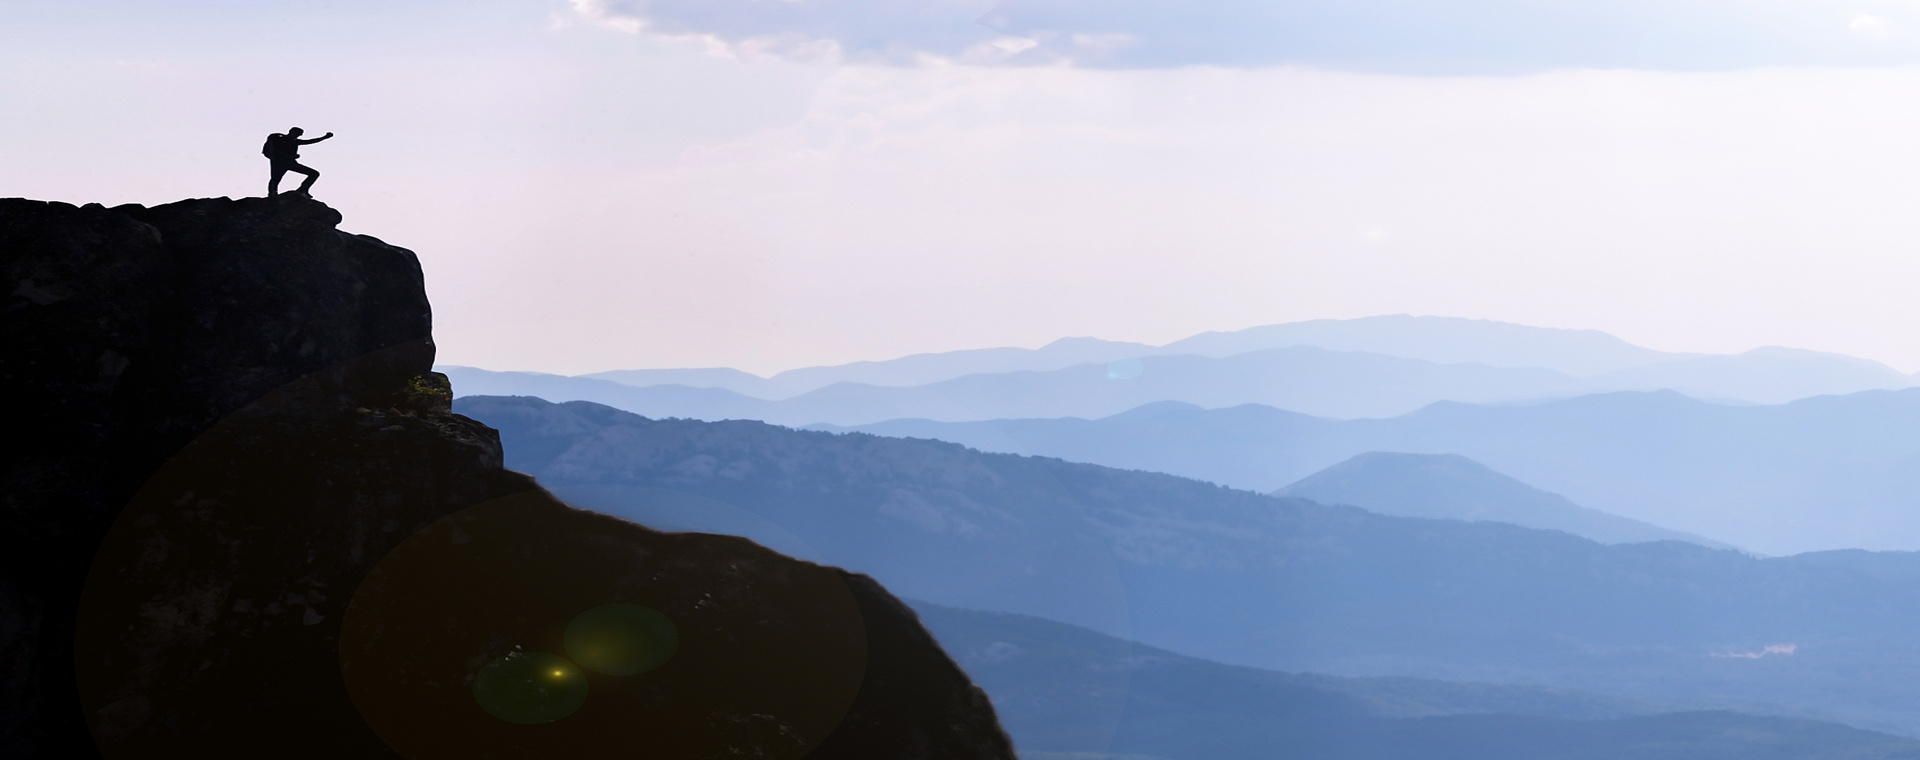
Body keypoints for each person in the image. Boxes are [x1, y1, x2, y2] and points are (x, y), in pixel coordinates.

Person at [263, 127, 334, 197]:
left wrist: (324, 137)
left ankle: (303, 189)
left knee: (314, 174)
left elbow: (309, 141)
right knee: (275, 179)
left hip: (291, 163)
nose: (297, 136)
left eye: (299, 135)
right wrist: (286, 156)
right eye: (297, 134)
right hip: (279, 163)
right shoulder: (278, 138)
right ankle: (272, 194)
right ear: (291, 132)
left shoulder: (295, 141)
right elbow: (273, 150)